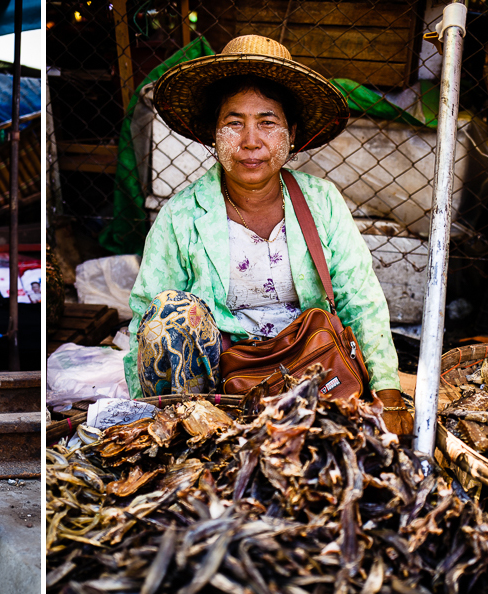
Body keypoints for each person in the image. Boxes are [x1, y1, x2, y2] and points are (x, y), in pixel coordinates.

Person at [125, 35, 413, 435]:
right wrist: (143, 415)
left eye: (267, 122)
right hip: (222, 386)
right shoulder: (182, 215)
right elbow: (145, 318)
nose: (250, 142)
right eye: (233, 123)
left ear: (291, 134)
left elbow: (360, 298)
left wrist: (387, 390)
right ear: (214, 134)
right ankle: (186, 430)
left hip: (311, 373)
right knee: (167, 313)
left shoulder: (321, 201)